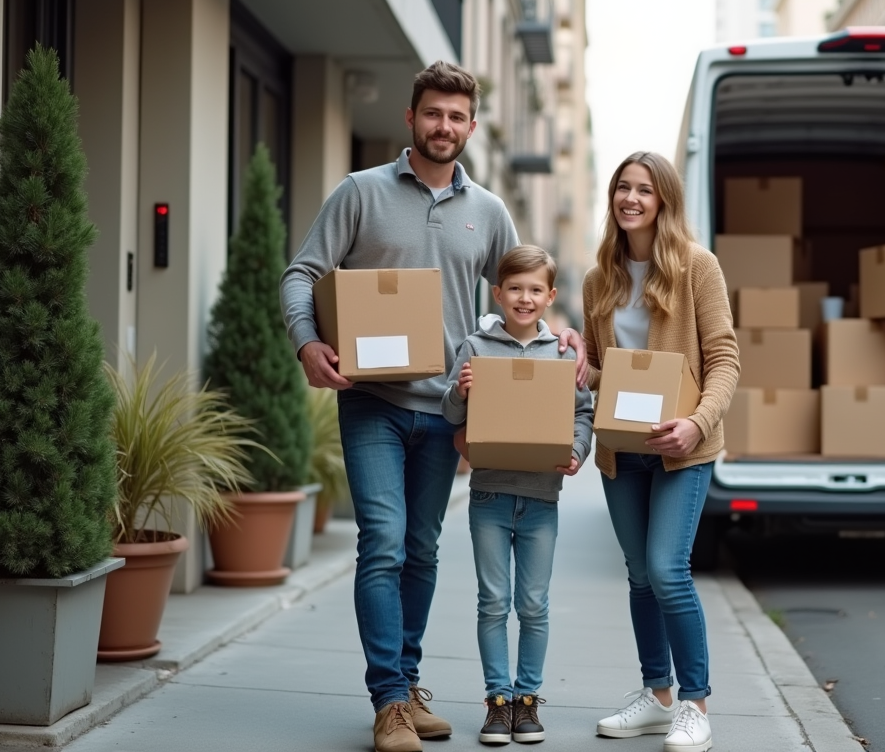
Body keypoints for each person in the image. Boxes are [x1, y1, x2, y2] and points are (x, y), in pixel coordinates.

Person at [279, 62, 586, 752]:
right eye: (432, 113)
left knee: (421, 549)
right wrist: (307, 343)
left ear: (471, 127)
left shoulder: (490, 211)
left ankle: (409, 686)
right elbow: (303, 273)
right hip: (373, 401)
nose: (443, 126)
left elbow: (523, 290)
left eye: (456, 116)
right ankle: (389, 700)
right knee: (383, 542)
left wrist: (561, 333)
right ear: (411, 117)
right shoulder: (360, 192)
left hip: (447, 410)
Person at [581, 152, 739, 752]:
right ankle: (658, 696)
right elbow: (601, 371)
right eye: (622, 187)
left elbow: (724, 359)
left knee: (668, 570)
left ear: (663, 200)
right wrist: (575, 363)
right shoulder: (599, 278)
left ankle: (695, 705)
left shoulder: (698, 266)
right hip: (623, 450)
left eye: (644, 189)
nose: (631, 198)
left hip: (682, 449)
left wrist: (697, 424)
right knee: (640, 576)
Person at [441, 244, 594, 746]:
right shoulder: (475, 347)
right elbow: (450, 416)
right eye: (514, 289)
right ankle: (497, 701)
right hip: (489, 496)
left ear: (550, 296)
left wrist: (577, 451)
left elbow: (583, 413)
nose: (524, 298)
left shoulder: (562, 354)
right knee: (492, 603)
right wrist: (459, 392)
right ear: (497, 293)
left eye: (534, 290)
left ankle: (526, 702)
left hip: (541, 499)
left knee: (533, 604)